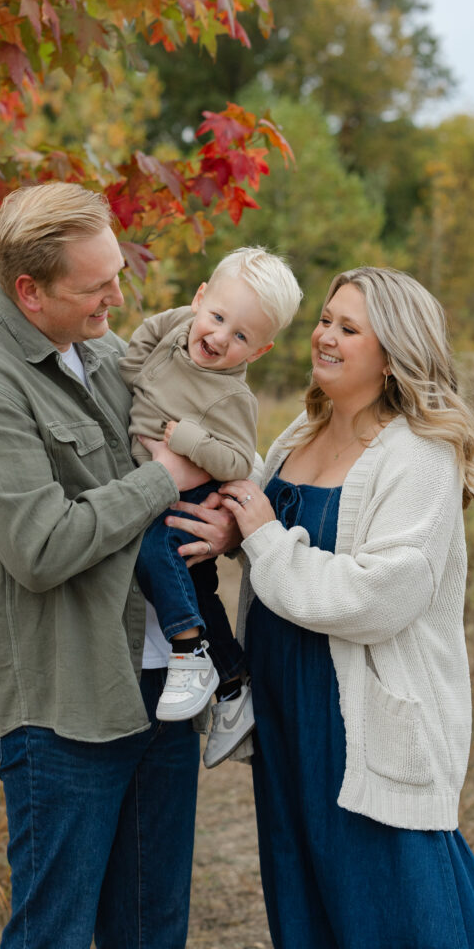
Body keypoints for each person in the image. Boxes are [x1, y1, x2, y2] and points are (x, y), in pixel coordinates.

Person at [0, 181, 235, 949]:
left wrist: (224, 524)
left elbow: (183, 460)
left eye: (116, 275)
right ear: (29, 290)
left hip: (162, 687)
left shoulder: (106, 353)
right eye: (95, 287)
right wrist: (163, 478)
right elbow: (42, 546)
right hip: (64, 708)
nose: (116, 297)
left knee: (147, 943)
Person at [216, 268, 474, 949]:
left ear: (391, 354)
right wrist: (229, 532)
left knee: (401, 914)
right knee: (306, 901)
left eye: (346, 328)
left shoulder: (416, 454)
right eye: (324, 320)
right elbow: (271, 546)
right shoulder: (299, 434)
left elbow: (375, 597)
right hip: (289, 709)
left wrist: (260, 537)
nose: (322, 335)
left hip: (363, 717)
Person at [119, 248, 302, 767]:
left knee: (156, 551)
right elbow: (147, 338)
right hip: (154, 478)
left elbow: (239, 458)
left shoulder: (231, 397)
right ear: (200, 299)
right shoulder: (177, 328)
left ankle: (190, 652)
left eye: (241, 336)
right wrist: (131, 369)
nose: (220, 337)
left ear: (260, 350)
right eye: (217, 318)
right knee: (194, 585)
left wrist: (190, 439)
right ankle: (232, 689)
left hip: (190, 490)